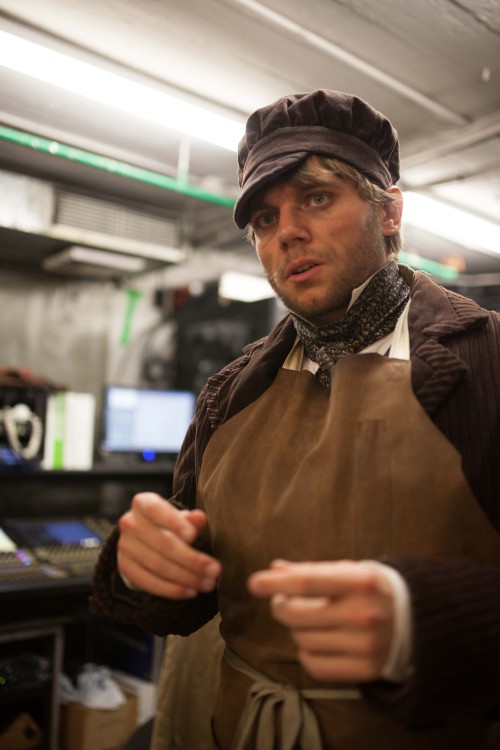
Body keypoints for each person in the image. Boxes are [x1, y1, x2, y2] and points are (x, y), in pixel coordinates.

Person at [91, 89, 500, 750]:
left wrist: (423, 625)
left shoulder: (485, 364)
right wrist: (142, 566)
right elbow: (192, 598)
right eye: (263, 218)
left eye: (316, 198)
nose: (286, 233)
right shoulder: (230, 392)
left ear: (389, 210)